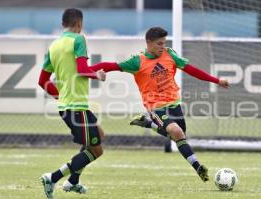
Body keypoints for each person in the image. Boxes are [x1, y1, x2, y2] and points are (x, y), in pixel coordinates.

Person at [89, 27, 229, 182]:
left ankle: (149, 124)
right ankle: (198, 167)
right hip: (155, 106)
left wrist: (217, 81)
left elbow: (192, 70)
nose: (163, 47)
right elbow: (109, 66)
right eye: (159, 44)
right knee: (176, 132)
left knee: (179, 134)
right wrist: (86, 70)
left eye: (164, 43)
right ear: (148, 42)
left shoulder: (170, 54)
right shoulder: (137, 61)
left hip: (174, 103)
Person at [38, 8, 106, 199]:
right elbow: (83, 69)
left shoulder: (54, 45)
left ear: (63, 24)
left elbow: (42, 80)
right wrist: (97, 75)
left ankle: (73, 181)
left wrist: (60, 97)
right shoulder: (79, 39)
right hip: (76, 107)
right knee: (97, 150)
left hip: (71, 106)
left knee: (99, 134)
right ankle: (52, 177)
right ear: (79, 24)